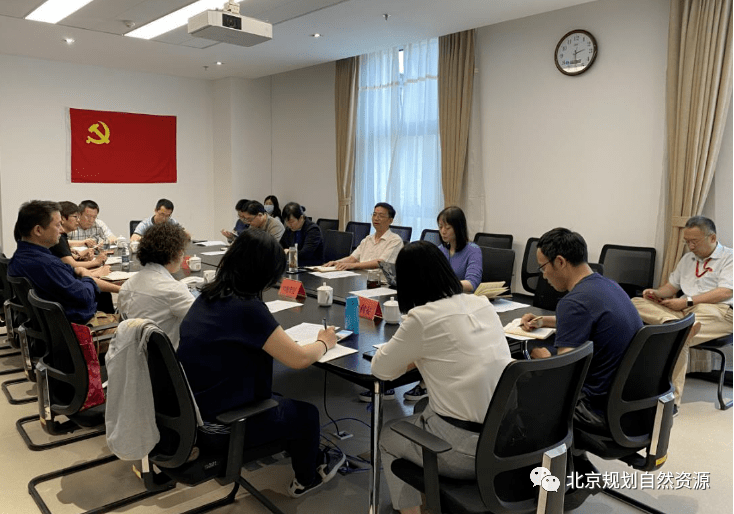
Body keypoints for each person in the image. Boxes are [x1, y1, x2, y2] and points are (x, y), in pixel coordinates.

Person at [177, 229, 345, 497]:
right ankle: (307, 478)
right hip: (223, 426)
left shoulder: (209, 296)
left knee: (281, 400)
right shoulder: (247, 308)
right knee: (306, 415)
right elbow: (300, 359)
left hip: (196, 412)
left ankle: (304, 453)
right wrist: (325, 342)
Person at [372, 241, 512, 514]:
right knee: (422, 408)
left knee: (388, 435)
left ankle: (411, 511)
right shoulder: (481, 303)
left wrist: (416, 356)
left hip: (466, 451)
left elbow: (381, 369)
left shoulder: (421, 318)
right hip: (505, 437)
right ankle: (428, 499)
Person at [520, 227, 642, 427]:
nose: (544, 276)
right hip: (629, 400)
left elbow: (565, 376)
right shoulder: (609, 285)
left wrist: (544, 359)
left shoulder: (573, 302)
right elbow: (591, 318)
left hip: (593, 407)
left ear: (560, 262)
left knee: (521, 381)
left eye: (543, 267)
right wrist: (542, 321)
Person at [631, 216, 732, 411]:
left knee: (678, 337)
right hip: (684, 312)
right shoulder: (687, 259)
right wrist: (657, 293)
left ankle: (672, 401)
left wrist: (687, 301)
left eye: (695, 241)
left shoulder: (729, 257)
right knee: (634, 302)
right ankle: (674, 323)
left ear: (712, 238)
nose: (690, 246)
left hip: (719, 311)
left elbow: (725, 292)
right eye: (687, 242)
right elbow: (671, 287)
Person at [9, 200, 120, 330]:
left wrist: (83, 274)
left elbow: (73, 275)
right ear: (38, 230)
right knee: (136, 327)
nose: (61, 230)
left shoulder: (19, 258)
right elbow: (84, 296)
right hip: (78, 329)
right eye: (57, 225)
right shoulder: (47, 264)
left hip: (50, 328)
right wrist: (87, 276)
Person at [118, 223, 194, 349]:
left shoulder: (127, 285)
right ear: (178, 253)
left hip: (133, 354)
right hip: (166, 358)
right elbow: (202, 320)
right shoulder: (174, 290)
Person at [324, 202, 403, 270]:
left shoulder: (395, 240)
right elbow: (352, 258)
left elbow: (380, 262)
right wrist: (337, 262)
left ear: (390, 220)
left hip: (379, 280)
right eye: (374, 215)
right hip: (360, 277)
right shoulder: (368, 239)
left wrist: (352, 266)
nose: (376, 218)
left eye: (381, 216)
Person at [50, 201, 110, 276]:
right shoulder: (58, 238)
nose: (78, 220)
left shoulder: (62, 236)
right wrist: (96, 262)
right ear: (62, 219)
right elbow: (71, 265)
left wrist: (80, 258)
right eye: (75, 217)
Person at [437, 206, 482, 293]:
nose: (443, 231)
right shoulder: (440, 250)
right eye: (440, 227)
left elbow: (471, 284)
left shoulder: (473, 250)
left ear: (458, 228)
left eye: (447, 228)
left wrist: (445, 285)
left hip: (464, 297)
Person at [279, 202, 324, 266]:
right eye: (286, 222)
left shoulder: (313, 229)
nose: (289, 225)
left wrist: (289, 252)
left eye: (291, 222)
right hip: (293, 265)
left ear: (301, 218)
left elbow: (306, 254)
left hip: (310, 266)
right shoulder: (290, 228)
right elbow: (280, 245)